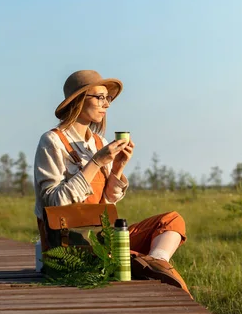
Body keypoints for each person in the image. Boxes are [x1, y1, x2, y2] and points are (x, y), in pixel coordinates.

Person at [34, 69, 190, 294]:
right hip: (70, 247)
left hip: (104, 237)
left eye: (108, 98)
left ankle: (157, 262)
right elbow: (53, 204)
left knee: (172, 220)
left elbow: (106, 206)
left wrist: (117, 168)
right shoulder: (52, 141)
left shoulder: (99, 142)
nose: (106, 104)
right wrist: (96, 163)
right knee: (131, 261)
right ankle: (149, 266)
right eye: (100, 97)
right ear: (79, 100)